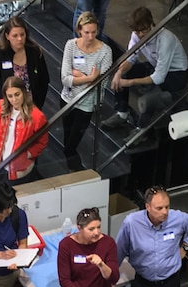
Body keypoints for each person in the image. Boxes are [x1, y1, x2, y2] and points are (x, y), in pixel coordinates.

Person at [102, 6, 188, 138]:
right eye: (137, 31)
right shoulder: (136, 35)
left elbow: (159, 77)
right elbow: (130, 58)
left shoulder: (165, 40)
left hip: (176, 74)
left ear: (151, 23)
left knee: (149, 97)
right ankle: (122, 113)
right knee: (123, 74)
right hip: (156, 66)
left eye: (144, 30)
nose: (141, 34)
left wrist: (129, 82)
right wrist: (119, 74)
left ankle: (140, 130)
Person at [60, 11, 112, 171]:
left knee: (70, 146)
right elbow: (65, 79)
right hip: (67, 99)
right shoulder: (70, 45)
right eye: (86, 32)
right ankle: (72, 172)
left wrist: (78, 75)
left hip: (87, 104)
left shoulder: (105, 51)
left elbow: (101, 85)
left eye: (93, 32)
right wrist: (89, 78)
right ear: (79, 31)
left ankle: (77, 174)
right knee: (67, 142)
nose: (90, 36)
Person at [0, 76, 49, 182]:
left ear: (24, 92)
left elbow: (42, 142)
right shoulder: (1, 106)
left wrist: (28, 154)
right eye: (10, 96)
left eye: (17, 94)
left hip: (20, 168)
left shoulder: (37, 116)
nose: (14, 100)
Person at [0, 16, 50, 110]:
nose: (19, 39)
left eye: (22, 35)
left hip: (31, 107)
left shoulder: (34, 52)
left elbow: (44, 79)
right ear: (7, 36)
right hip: (6, 108)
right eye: (15, 36)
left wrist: (38, 103)